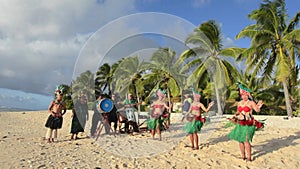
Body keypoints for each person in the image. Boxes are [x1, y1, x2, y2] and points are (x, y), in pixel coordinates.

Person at [228, 84, 264, 162]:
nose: (244, 97)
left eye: (246, 95)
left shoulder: (251, 103)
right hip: (240, 123)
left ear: (248, 95)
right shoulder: (239, 103)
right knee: (240, 140)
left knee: (246, 140)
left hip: (248, 123)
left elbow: (257, 110)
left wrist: (259, 106)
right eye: (243, 95)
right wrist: (235, 115)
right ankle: (243, 155)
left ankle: (249, 157)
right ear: (241, 95)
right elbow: (238, 111)